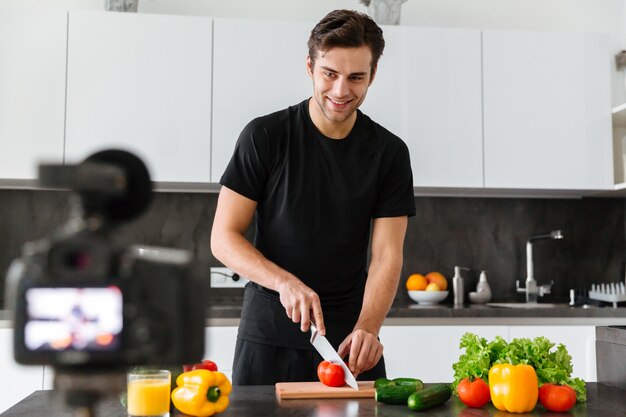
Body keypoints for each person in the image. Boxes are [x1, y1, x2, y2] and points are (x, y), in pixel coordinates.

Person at [210, 9, 416, 385]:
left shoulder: (389, 153)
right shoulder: (265, 137)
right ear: (310, 67)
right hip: (267, 336)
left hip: (350, 342)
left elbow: (387, 253)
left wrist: (369, 328)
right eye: (330, 74)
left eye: (356, 77)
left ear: (373, 75)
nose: (341, 91)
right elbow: (223, 238)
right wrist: (285, 282)